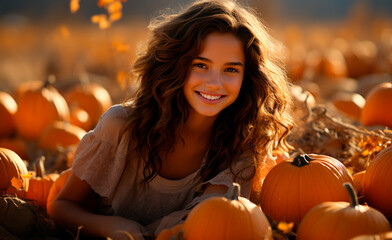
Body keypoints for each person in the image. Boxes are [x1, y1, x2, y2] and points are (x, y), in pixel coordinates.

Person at [49, 0, 293, 239]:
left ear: (247, 78)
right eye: (201, 65)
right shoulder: (119, 127)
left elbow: (211, 221)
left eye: (231, 69)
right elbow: (61, 206)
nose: (215, 83)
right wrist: (109, 226)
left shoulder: (240, 149)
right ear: (176, 65)